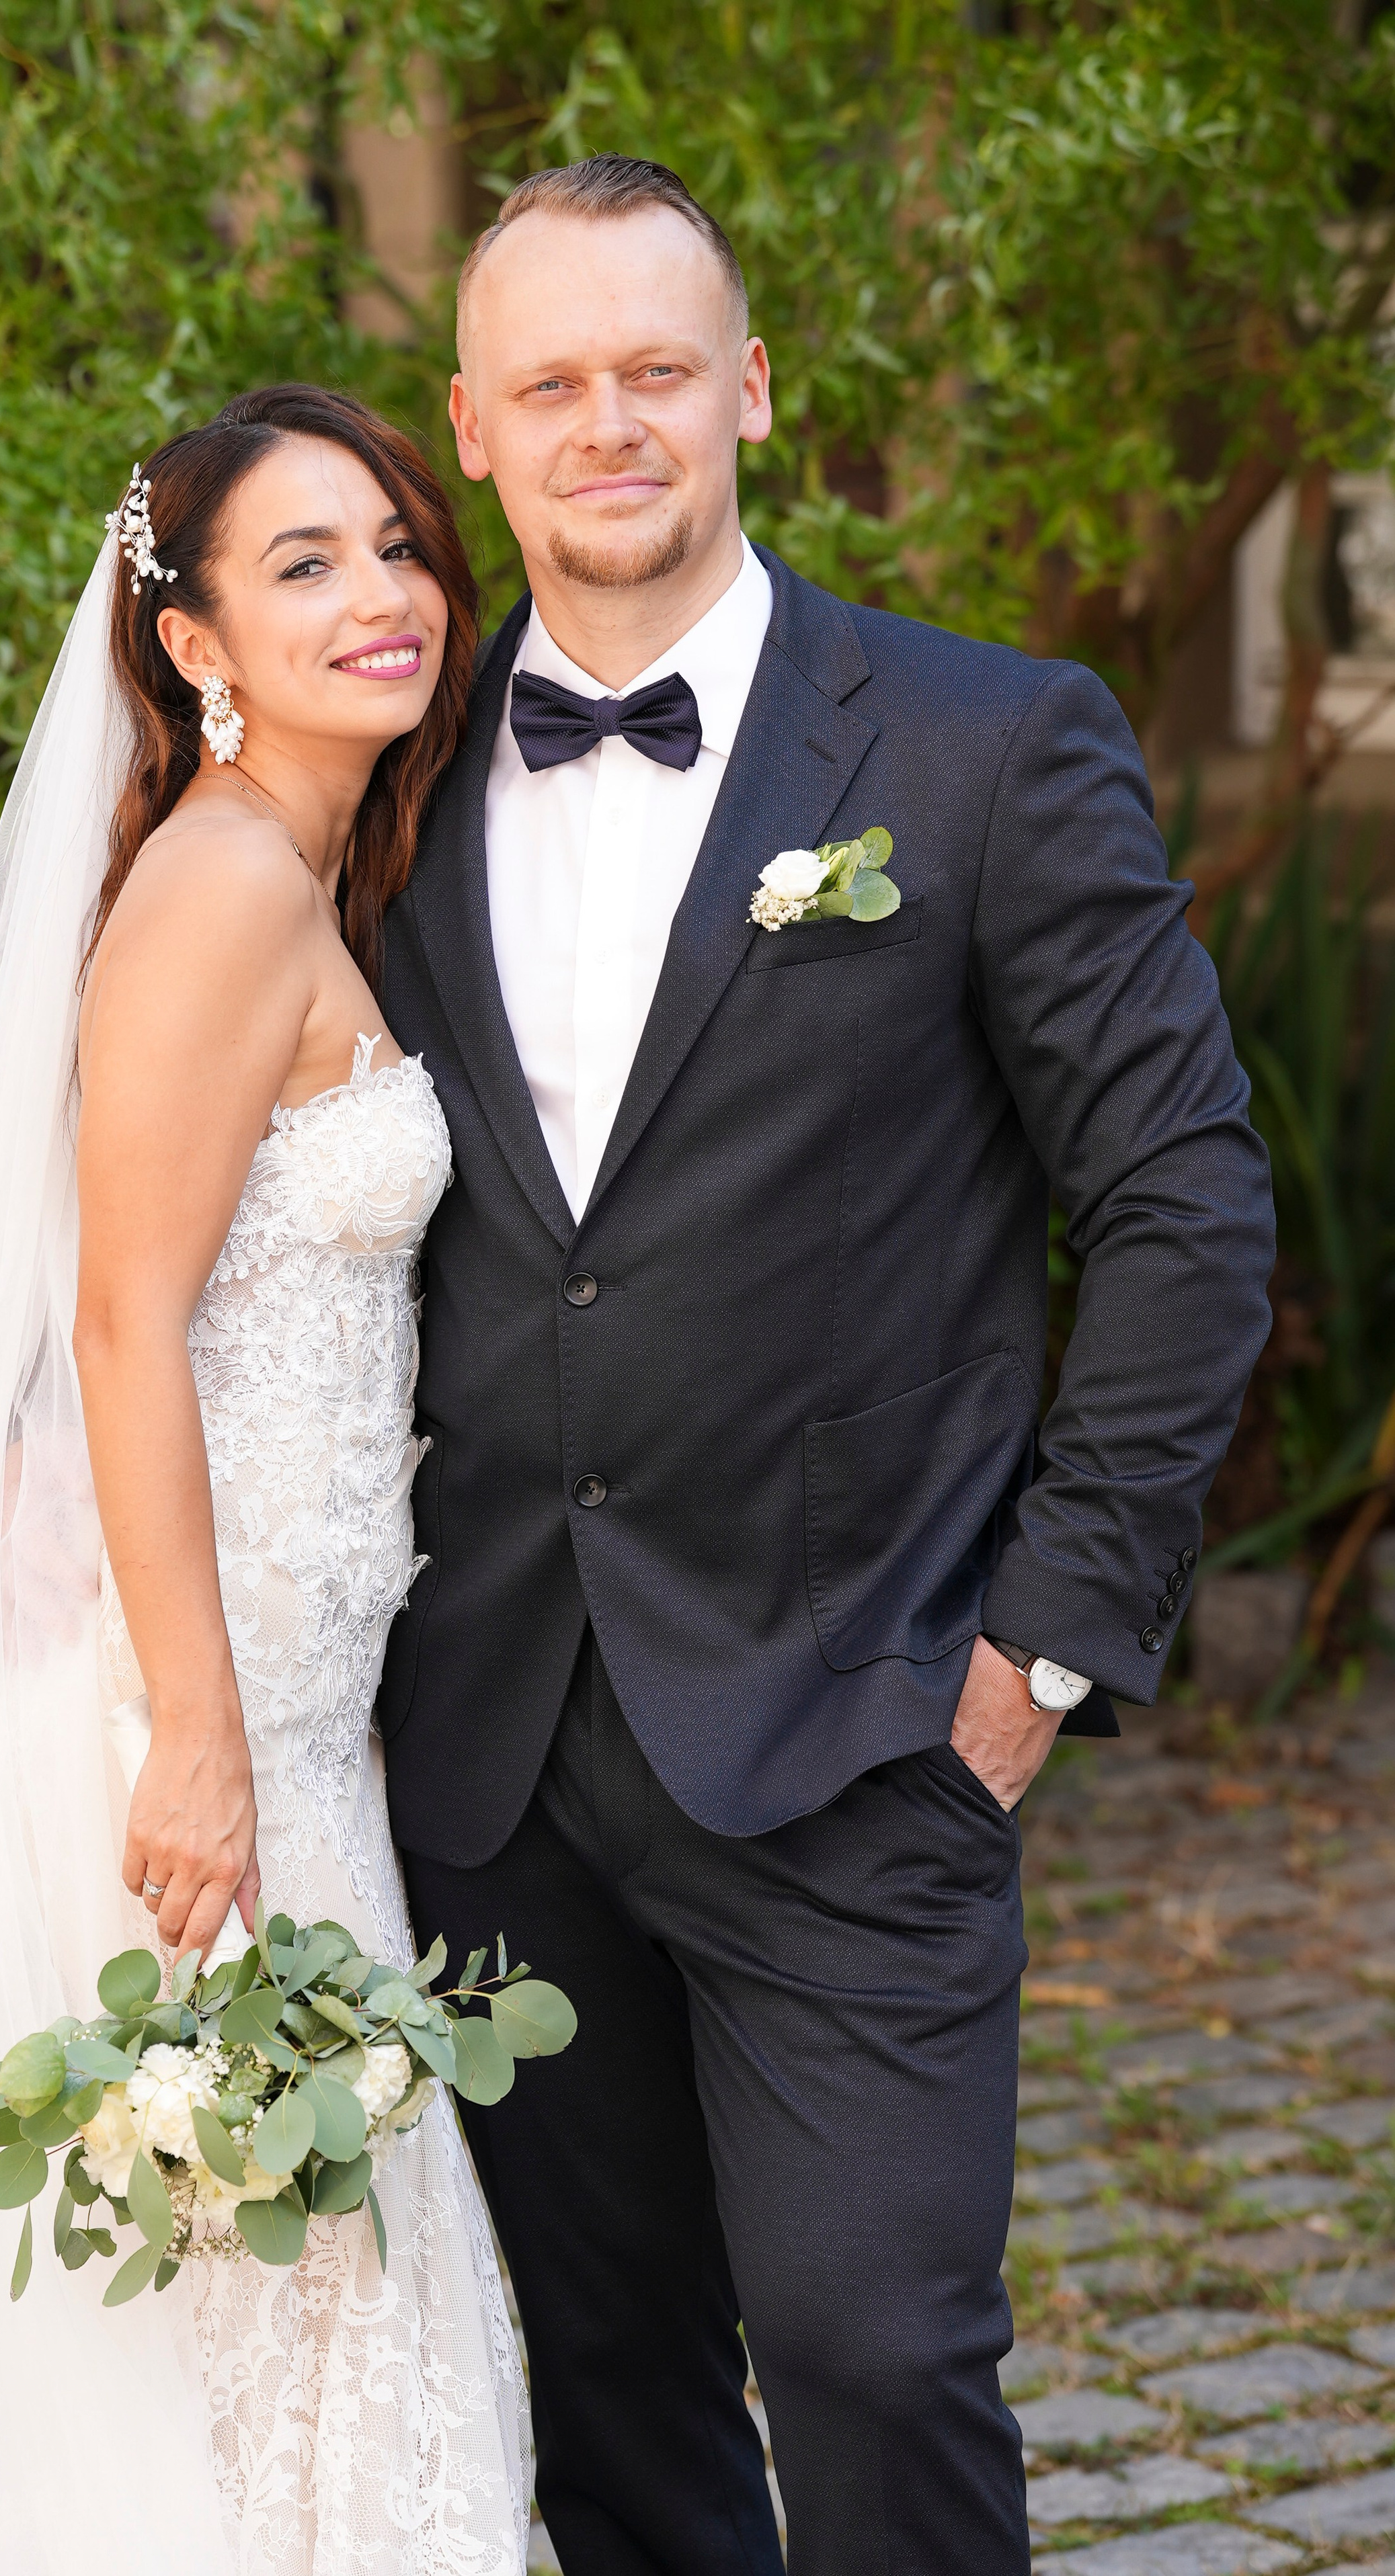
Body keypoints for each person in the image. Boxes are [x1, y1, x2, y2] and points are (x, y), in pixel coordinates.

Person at [378, 155, 1277, 2575]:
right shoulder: (381, 782)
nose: (609, 425)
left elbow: (1188, 1204)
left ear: (750, 387)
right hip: (483, 1742)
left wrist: (1048, 1642)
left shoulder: (990, 748)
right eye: (550, 382)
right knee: (610, 2389)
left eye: (656, 369)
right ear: (470, 429)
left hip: (867, 1709)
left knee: (879, 2356)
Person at [0, 385, 530, 2575]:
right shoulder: (226, 884)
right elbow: (125, 1323)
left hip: (300, 1699)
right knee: (269, 2315)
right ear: (195, 643)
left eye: (399, 547)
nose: (383, 598)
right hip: (206, 1722)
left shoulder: (317, 870)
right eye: (305, 564)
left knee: (311, 2305)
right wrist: (204, 1745)